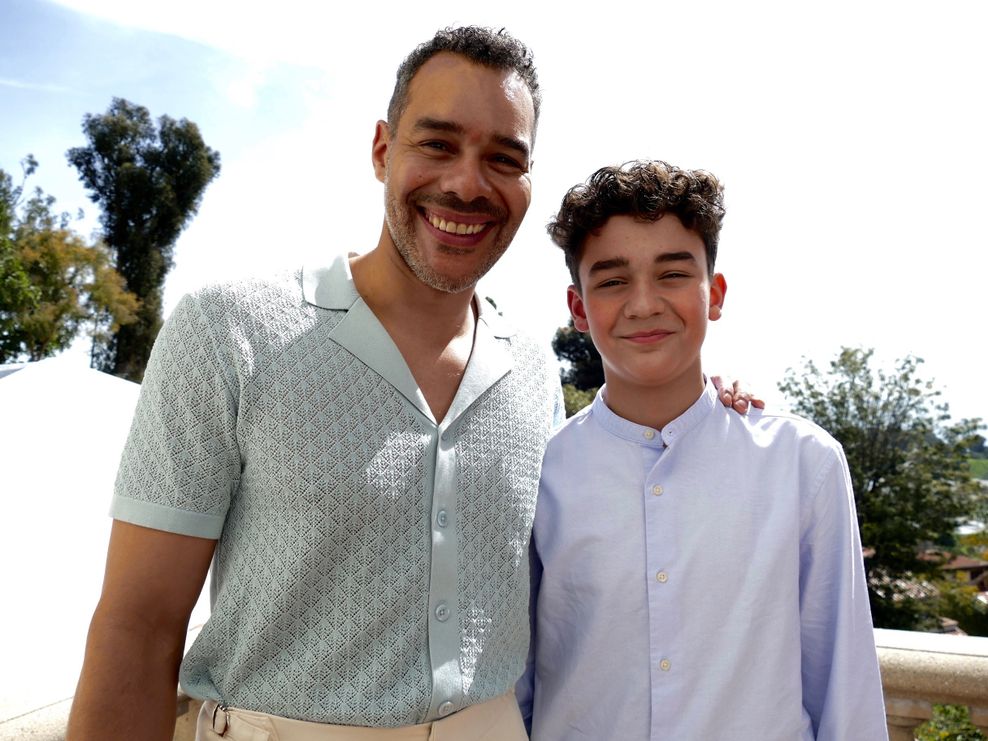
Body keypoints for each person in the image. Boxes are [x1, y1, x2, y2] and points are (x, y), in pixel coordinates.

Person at [66, 27, 751, 741]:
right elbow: (137, 627)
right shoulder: (228, 330)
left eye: (503, 158)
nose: (466, 183)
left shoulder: (534, 370)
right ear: (382, 149)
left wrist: (707, 403)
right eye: (438, 143)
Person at [519, 160, 888, 740]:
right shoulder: (540, 476)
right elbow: (517, 685)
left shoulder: (802, 465)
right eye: (613, 280)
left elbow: (844, 684)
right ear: (579, 307)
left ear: (713, 294)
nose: (644, 304)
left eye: (671, 275)